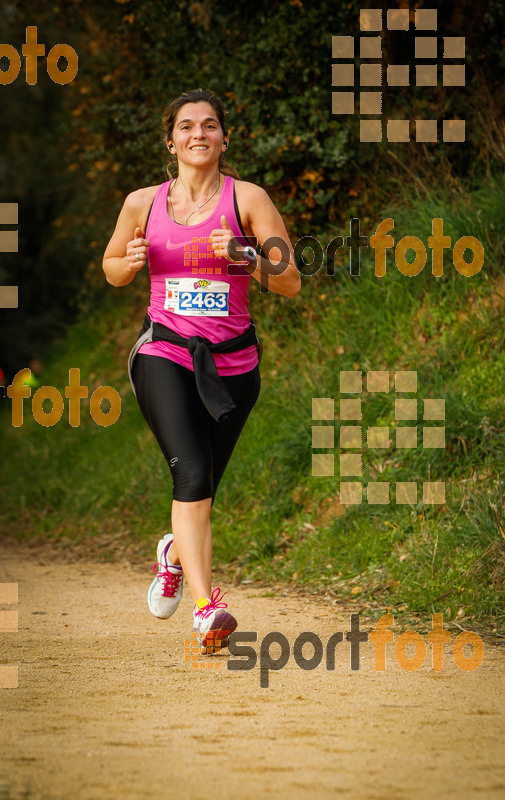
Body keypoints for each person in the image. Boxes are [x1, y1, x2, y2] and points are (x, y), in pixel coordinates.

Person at [102, 88, 300, 653]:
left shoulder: (249, 201)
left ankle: (172, 554)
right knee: (190, 476)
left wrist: (244, 255)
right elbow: (111, 266)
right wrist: (128, 262)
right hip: (164, 353)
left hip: (235, 363)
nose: (198, 134)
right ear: (171, 141)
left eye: (209, 126)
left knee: (204, 487)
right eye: (187, 126)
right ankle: (207, 609)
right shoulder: (143, 202)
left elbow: (290, 281)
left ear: (224, 138)